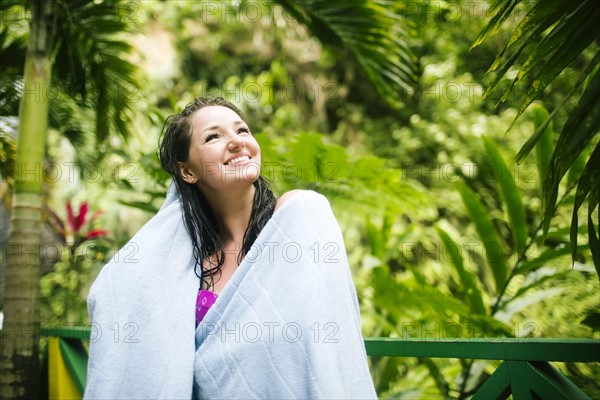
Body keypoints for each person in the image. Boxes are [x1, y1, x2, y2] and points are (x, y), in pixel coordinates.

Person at [84, 97, 377, 399]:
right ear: (187, 172)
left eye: (243, 131)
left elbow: (322, 339)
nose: (237, 142)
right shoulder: (185, 263)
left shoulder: (297, 219)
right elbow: (115, 290)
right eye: (213, 136)